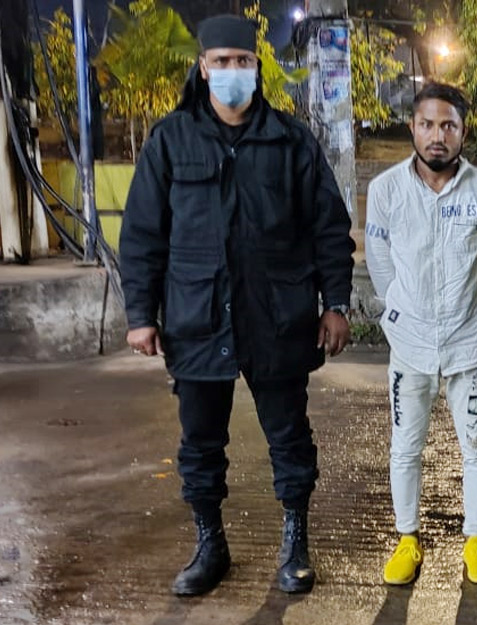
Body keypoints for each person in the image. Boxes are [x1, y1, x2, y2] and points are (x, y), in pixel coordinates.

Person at [119, 15, 355, 596]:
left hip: (278, 317)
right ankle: (210, 546)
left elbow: (329, 228)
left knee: (289, 437)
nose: (232, 71)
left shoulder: (291, 141)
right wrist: (140, 315)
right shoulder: (170, 140)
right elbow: (143, 234)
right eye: (221, 61)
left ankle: (295, 544)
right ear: (203, 68)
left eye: (242, 61)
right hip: (197, 319)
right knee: (200, 444)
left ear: (257, 68)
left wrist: (336, 303)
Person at [365, 83, 477, 586]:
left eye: (448, 125)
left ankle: (475, 541)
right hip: (409, 347)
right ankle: (407, 539)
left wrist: (473, 306)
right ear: (412, 127)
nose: (437, 135)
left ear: (463, 132)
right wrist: (400, 313)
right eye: (427, 124)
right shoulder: (386, 190)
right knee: (405, 447)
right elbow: (379, 261)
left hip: (471, 345)